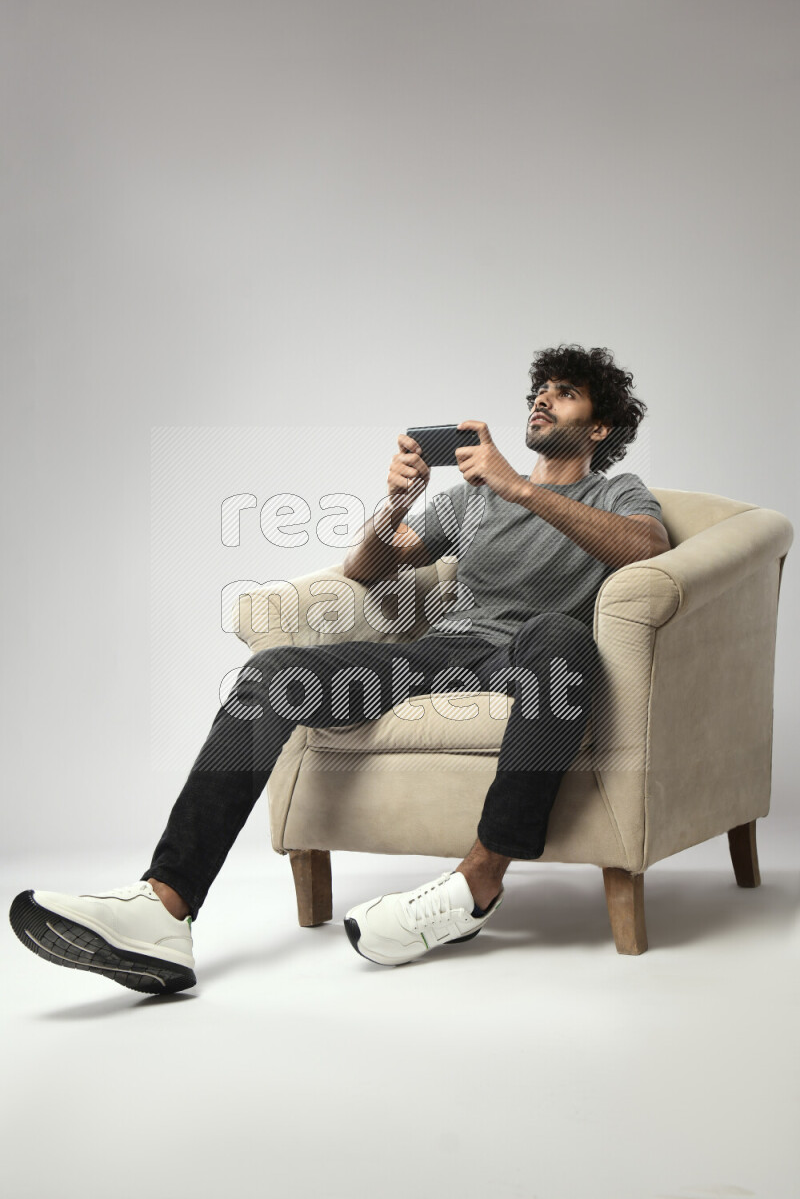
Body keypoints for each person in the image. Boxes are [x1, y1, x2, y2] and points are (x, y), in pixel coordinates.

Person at [9, 343, 670, 993]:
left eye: (564, 394)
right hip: (446, 653)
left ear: (600, 426)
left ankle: (477, 883)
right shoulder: (473, 499)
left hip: (535, 657)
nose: (542, 401)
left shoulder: (616, 492)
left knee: (561, 635)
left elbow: (646, 548)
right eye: (539, 391)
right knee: (272, 675)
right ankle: (164, 907)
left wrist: (520, 487)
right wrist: (397, 505)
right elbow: (366, 569)